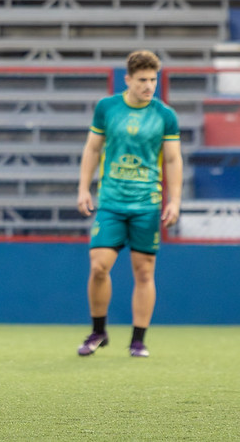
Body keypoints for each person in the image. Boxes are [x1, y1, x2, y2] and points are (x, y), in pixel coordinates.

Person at [76, 50, 183, 358]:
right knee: (99, 266)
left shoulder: (165, 115)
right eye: (142, 80)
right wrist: (84, 188)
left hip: (147, 204)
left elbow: (174, 160)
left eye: (153, 79)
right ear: (128, 80)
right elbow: (93, 149)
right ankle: (98, 332)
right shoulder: (107, 108)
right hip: (111, 201)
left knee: (144, 272)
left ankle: (138, 340)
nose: (149, 86)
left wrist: (174, 200)